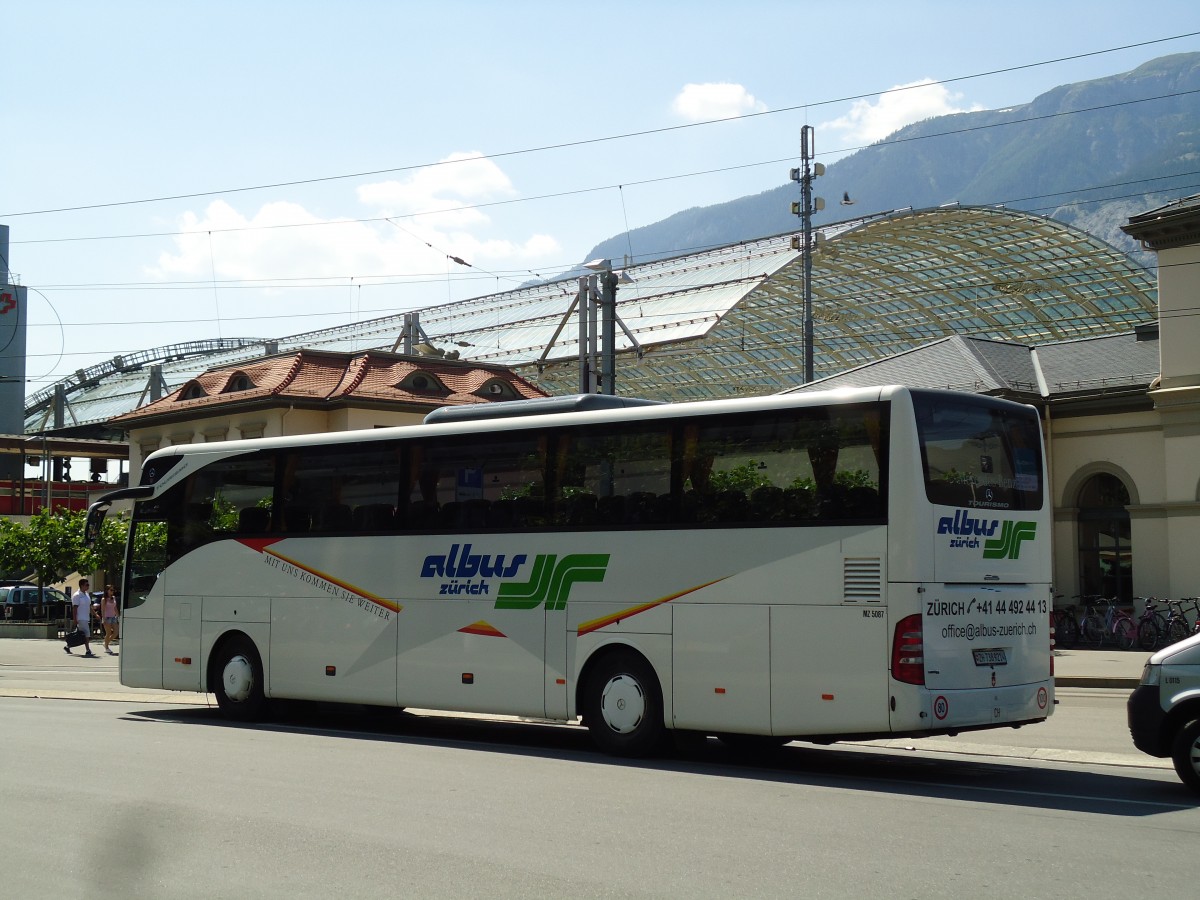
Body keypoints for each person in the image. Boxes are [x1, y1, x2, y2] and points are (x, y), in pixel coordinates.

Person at [65, 579, 96, 658]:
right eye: (86, 585)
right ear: (81, 585)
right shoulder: (77, 595)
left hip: (86, 617)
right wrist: (75, 619)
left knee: (80, 635)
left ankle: (68, 646)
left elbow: (89, 606)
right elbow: (74, 608)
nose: (88, 586)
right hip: (81, 618)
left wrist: (95, 614)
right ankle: (88, 650)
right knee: (86, 634)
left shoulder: (86, 594)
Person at [100, 585, 119, 654]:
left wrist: (118, 615)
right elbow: (103, 610)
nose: (112, 591)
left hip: (113, 617)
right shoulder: (104, 599)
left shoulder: (113, 598)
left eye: (113, 590)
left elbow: (115, 607)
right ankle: (106, 647)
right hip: (107, 617)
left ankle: (106, 642)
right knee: (108, 633)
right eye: (111, 590)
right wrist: (103, 619)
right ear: (107, 591)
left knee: (116, 632)